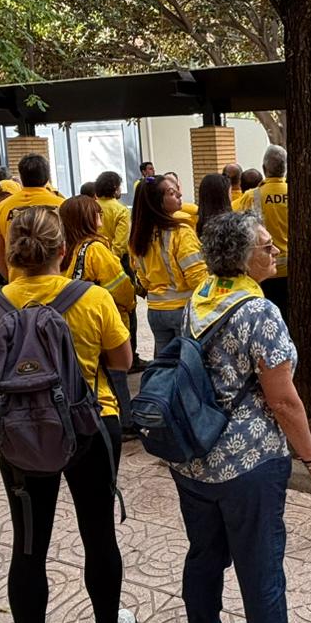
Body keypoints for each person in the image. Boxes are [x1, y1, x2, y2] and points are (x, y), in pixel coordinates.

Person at [0, 205, 136, 623]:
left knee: (28, 545)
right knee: (98, 532)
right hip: (91, 430)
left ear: (12, 254)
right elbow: (122, 361)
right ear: (64, 249)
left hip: (20, 440)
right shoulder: (93, 298)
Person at [171, 211, 311, 623]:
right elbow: (283, 401)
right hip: (246, 463)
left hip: (193, 457)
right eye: (265, 246)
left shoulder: (200, 297)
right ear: (243, 257)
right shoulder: (258, 313)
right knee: (259, 563)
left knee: (204, 553)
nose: (274, 251)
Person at [60, 195, 139, 436]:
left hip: (77, 325)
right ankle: (125, 421)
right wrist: (130, 303)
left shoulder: (66, 251)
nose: (101, 218)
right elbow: (120, 287)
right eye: (97, 214)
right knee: (117, 373)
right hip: (105, 321)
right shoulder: (95, 249)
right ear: (87, 219)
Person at [131, 174, 208, 353]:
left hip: (156, 311)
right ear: (159, 202)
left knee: (166, 367)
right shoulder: (181, 233)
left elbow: (142, 279)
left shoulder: (139, 236)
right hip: (183, 309)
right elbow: (197, 278)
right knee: (189, 366)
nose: (180, 196)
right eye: (172, 193)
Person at [0, 154, 63, 278]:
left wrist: (9, 277)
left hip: (19, 282)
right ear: (47, 177)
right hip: (58, 281)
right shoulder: (61, 205)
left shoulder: (3, 206)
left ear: (21, 177)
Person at [251, 146, 291, 315]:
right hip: (293, 269)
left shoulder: (253, 196)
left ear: (264, 168)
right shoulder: (296, 192)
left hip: (265, 271)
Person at [93, 171, 132, 254]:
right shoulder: (122, 211)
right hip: (114, 259)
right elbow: (120, 244)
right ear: (115, 188)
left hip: (93, 254)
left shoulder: (89, 207)